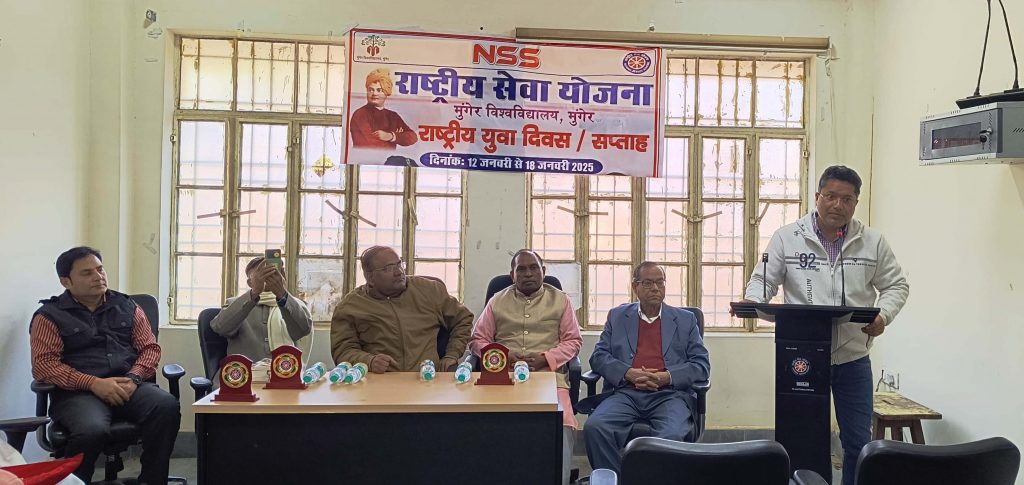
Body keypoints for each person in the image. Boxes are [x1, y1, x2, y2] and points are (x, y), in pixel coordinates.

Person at [738, 165, 909, 485]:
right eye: (831, 196)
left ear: (856, 202)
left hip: (853, 358)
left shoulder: (872, 241)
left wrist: (883, 315)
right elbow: (763, 281)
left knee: (858, 442)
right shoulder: (788, 237)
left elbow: (896, 285)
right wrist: (754, 302)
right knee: (800, 439)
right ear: (817, 197)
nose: (837, 205)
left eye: (847, 199)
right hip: (802, 358)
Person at [30, 247, 180, 485]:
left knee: (166, 406)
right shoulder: (49, 316)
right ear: (66, 281)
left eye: (100, 270)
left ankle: (152, 481)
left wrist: (134, 378)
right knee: (92, 429)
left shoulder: (128, 306)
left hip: (128, 385)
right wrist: (92, 383)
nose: (98, 277)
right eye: (87, 273)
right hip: (79, 394)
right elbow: (44, 366)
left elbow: (150, 349)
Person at [584, 261, 710, 474]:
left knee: (671, 435)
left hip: (669, 395)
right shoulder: (617, 316)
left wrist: (666, 377)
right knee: (595, 427)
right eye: (648, 283)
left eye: (660, 282)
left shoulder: (685, 320)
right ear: (636, 287)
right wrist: (628, 373)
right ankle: (619, 479)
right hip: (625, 393)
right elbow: (598, 357)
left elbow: (701, 365)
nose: (655, 288)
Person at [469, 249, 582, 485]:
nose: (528, 274)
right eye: (521, 269)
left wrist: (546, 358)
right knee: (484, 423)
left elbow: (573, 341)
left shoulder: (561, 300)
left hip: (549, 378)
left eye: (533, 268)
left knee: (561, 423)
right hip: (502, 377)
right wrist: (501, 355)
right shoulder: (497, 300)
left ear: (543, 272)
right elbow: (478, 340)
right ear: (512, 275)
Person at [331, 246, 473, 372]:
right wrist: (369, 361)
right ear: (370, 277)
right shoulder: (351, 306)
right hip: (379, 380)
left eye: (399, 264)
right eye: (388, 268)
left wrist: (452, 354)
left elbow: (463, 319)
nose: (399, 272)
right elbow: (343, 350)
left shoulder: (429, 290)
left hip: (426, 377)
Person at [210, 256, 314, 363]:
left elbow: (303, 331)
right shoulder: (235, 304)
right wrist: (254, 292)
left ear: (283, 277)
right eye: (261, 273)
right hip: (244, 371)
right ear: (250, 282)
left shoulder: (294, 304)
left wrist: (282, 294)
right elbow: (220, 328)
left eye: (273, 271)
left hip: (284, 370)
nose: (267, 276)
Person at [349, 68, 417, 149]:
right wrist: (399, 137)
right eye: (371, 90)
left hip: (391, 157)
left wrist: (390, 136)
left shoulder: (393, 116)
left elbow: (413, 137)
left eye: (379, 90)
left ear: (386, 92)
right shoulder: (360, 114)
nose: (374, 93)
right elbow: (369, 145)